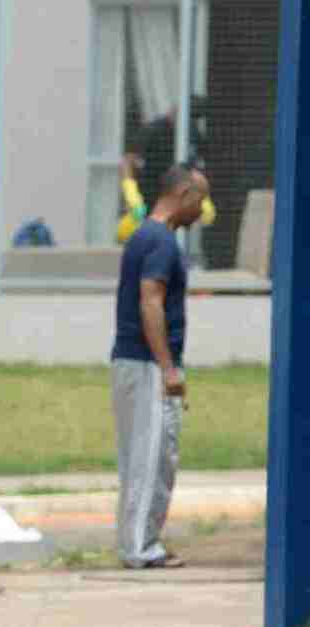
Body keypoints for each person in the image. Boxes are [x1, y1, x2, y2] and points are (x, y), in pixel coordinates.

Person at [111, 163, 210, 570]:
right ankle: (140, 547)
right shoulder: (161, 242)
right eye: (200, 199)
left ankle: (138, 542)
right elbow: (150, 300)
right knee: (152, 457)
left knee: (143, 455)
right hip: (149, 364)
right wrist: (168, 368)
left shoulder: (145, 236)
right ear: (183, 193)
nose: (202, 210)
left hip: (135, 361)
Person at [118, 97, 216, 243]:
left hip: (177, 196)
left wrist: (203, 197)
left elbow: (198, 165)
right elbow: (128, 160)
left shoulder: (192, 132)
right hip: (149, 194)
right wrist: (131, 192)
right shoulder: (153, 130)